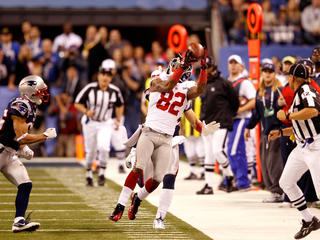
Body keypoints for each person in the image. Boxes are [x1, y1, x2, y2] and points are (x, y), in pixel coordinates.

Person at [109, 49, 208, 222]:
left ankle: (137, 198)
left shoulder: (185, 90)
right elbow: (168, 86)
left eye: (182, 66)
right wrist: (182, 66)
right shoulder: (156, 81)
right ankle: (120, 206)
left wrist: (204, 69)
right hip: (149, 133)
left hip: (167, 139)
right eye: (178, 65)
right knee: (138, 167)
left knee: (157, 179)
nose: (179, 67)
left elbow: (199, 89)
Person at [269, 63, 320, 239]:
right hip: (303, 145)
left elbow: (312, 111)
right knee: (286, 182)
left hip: (316, 145)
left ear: (292, 77)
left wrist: (288, 116)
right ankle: (309, 220)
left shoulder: (306, 90)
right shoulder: (301, 92)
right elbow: (302, 125)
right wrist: (281, 132)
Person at [0, 75, 57, 232]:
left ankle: (19, 221)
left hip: (9, 153)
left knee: (25, 184)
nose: (43, 93)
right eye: (40, 91)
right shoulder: (20, 105)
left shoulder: (31, 106)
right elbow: (22, 136)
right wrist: (45, 136)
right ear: (30, 92)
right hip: (0, 149)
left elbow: (17, 136)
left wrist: (22, 148)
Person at [74, 59, 125, 187]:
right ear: (98, 76)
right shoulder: (90, 88)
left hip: (105, 122)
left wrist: (118, 120)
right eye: (103, 74)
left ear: (111, 78)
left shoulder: (114, 90)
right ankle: (89, 175)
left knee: (104, 147)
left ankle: (102, 173)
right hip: (90, 122)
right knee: (90, 151)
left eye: (108, 75)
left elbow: (120, 105)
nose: (105, 77)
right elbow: (77, 103)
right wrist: (86, 111)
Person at [196, 56, 239, 194]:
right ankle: (209, 185)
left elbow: (235, 103)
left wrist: (227, 116)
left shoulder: (224, 83)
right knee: (209, 154)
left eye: (208, 67)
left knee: (217, 151)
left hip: (221, 122)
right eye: (204, 68)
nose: (206, 70)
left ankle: (230, 176)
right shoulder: (202, 84)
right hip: (207, 123)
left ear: (213, 67)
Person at [244, 63, 284, 203]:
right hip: (265, 132)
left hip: (278, 132)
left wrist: (280, 104)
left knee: (275, 163)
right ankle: (274, 191)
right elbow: (257, 113)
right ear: (262, 73)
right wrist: (248, 127)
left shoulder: (280, 90)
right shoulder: (259, 91)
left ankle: (278, 192)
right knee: (265, 162)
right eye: (265, 71)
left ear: (274, 73)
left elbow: (285, 110)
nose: (267, 74)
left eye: (270, 71)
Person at [227, 54, 256, 191]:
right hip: (230, 121)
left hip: (242, 118)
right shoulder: (226, 81)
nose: (233, 65)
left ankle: (242, 181)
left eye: (235, 63)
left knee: (235, 151)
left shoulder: (244, 82)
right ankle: (236, 179)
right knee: (230, 150)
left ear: (241, 66)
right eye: (230, 63)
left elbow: (253, 100)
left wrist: (240, 110)